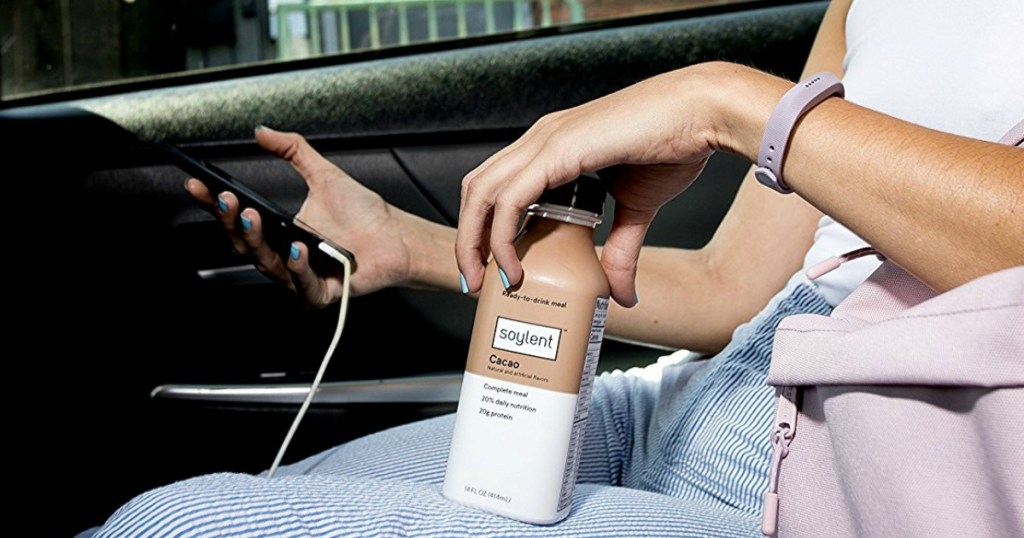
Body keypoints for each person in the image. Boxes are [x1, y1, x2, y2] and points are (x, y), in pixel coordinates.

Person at [91, 0, 1023, 535]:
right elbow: (735, 288)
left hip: (832, 474)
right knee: (217, 509)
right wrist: (407, 244)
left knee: (174, 526)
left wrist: (725, 102)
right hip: (681, 399)